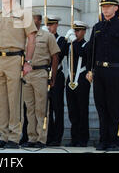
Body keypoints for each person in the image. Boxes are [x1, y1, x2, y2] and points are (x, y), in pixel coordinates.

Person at [86, 0, 119, 151]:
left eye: (108, 6)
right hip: (99, 71)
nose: (105, 9)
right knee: (101, 107)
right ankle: (103, 140)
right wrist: (89, 69)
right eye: (103, 7)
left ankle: (114, 141)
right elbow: (91, 51)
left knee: (114, 108)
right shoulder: (97, 27)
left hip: (115, 71)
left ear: (116, 8)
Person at [0, 0, 37, 149]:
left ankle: (14, 137)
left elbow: (31, 38)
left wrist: (28, 62)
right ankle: (3, 136)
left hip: (15, 58)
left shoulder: (24, 13)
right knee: (1, 101)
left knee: (14, 99)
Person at [21, 11, 60, 148]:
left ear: (39, 20)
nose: (32, 21)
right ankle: (32, 138)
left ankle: (41, 139)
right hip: (27, 75)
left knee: (41, 108)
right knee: (29, 108)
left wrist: (53, 76)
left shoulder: (48, 36)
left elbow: (55, 56)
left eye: (34, 19)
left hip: (41, 73)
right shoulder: (25, 36)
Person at [64, 21, 90, 147]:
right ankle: (74, 138)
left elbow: (81, 53)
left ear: (84, 31)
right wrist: (65, 38)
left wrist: (74, 41)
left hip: (82, 79)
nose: (76, 33)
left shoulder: (87, 44)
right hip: (70, 78)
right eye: (74, 30)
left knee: (82, 110)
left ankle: (83, 139)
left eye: (78, 30)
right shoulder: (71, 44)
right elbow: (60, 51)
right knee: (72, 111)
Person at [45, 16, 68, 146]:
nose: (49, 27)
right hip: (44, 75)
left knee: (57, 108)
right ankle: (48, 135)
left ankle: (57, 137)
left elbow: (60, 54)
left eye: (52, 24)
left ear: (57, 25)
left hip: (56, 75)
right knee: (47, 109)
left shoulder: (62, 40)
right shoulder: (44, 39)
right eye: (48, 24)